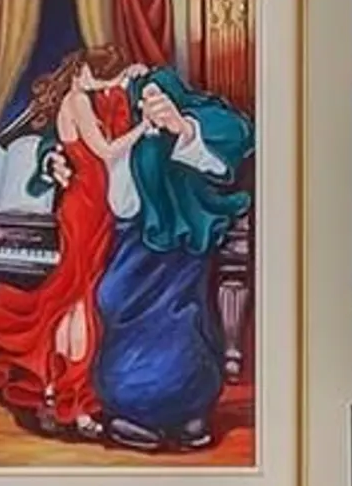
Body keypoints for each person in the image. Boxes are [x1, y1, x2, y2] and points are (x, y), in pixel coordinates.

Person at [89, 63, 253, 449]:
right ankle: (137, 414)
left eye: (155, 96)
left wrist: (183, 127)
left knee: (180, 321)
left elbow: (236, 136)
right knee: (115, 299)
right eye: (142, 99)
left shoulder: (198, 120)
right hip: (134, 241)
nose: (149, 104)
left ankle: (187, 414)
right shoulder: (123, 130)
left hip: (178, 248)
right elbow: (119, 196)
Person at [0, 57, 129, 435]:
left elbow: (66, 148)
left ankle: (58, 389)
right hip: (86, 207)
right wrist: (145, 130)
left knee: (75, 301)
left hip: (90, 205)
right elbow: (105, 153)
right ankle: (68, 397)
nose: (98, 80)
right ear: (77, 73)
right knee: (77, 298)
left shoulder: (79, 101)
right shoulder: (77, 101)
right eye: (94, 73)